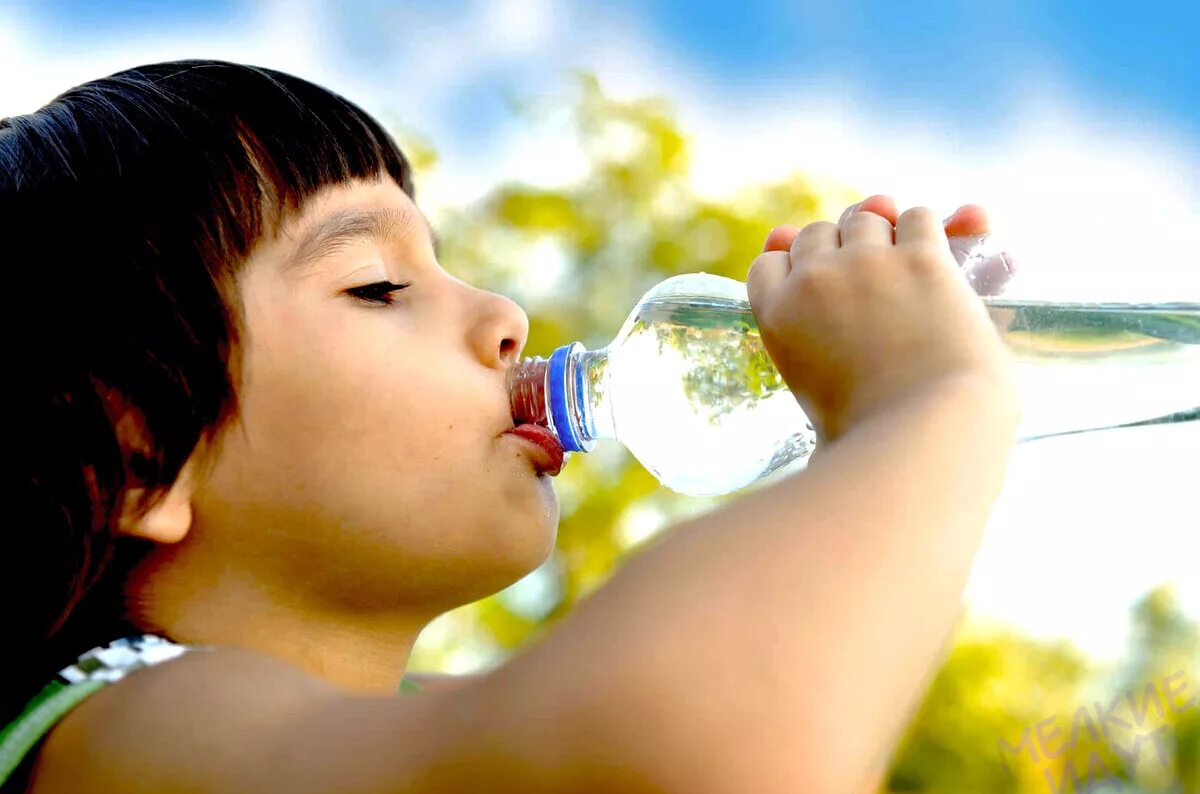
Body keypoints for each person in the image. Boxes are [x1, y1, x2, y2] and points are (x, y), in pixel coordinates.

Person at [0, 59, 1020, 793]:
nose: (505, 317)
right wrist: (928, 404)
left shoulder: (421, 728)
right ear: (141, 454)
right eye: (378, 284)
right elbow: (677, 746)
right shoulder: (122, 730)